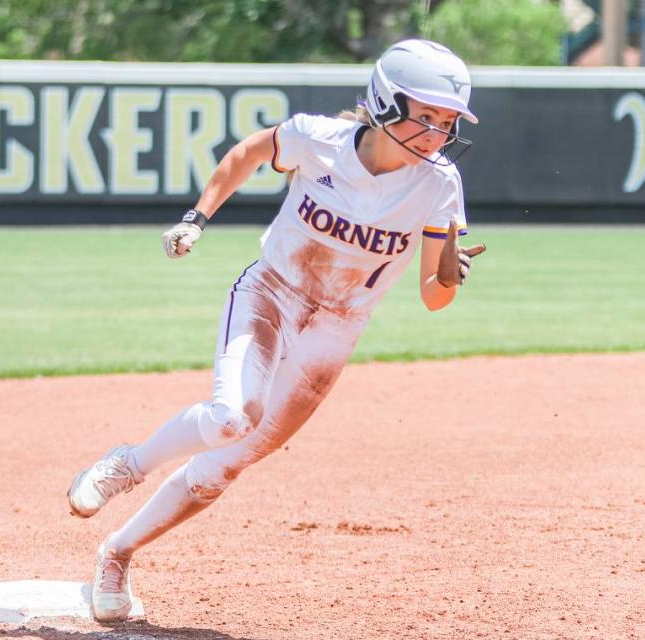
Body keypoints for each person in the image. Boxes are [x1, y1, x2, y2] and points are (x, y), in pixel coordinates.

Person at [67, 39, 487, 623]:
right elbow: (246, 154)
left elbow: (433, 298)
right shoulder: (320, 140)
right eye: (427, 117)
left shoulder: (438, 184)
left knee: (224, 467)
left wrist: (449, 273)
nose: (438, 135)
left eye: (447, 123)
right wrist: (197, 217)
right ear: (386, 104)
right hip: (272, 294)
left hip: (335, 332)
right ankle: (128, 464)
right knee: (232, 415)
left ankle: (116, 554)